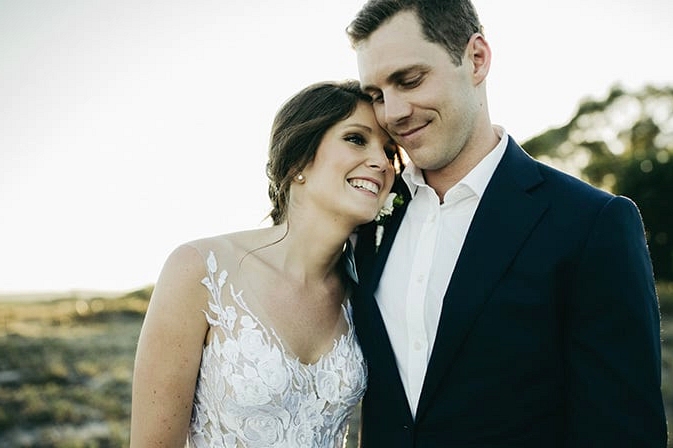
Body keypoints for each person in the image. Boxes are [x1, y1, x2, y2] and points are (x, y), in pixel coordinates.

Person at [346, 1, 668, 446]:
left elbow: (625, 431)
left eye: (410, 80)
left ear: (476, 58)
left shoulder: (591, 223)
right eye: (377, 95)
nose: (393, 113)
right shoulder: (365, 217)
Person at [130, 80, 399, 447]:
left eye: (389, 150)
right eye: (356, 138)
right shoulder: (200, 271)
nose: (381, 163)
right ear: (298, 160)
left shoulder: (367, 295)